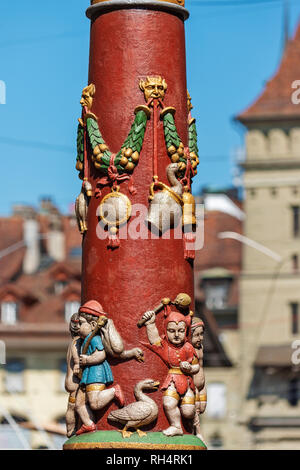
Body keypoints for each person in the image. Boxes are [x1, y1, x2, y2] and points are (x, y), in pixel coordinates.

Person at [141, 308, 200, 437]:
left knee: (188, 411)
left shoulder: (188, 347)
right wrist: (150, 323)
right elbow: (154, 339)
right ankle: (176, 426)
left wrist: (190, 368)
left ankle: (194, 422)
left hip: (186, 381)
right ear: (166, 331)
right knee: (168, 403)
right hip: (172, 379)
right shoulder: (166, 346)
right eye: (172, 331)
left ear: (185, 332)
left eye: (180, 331)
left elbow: (196, 367)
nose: (176, 335)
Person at [75, 301, 125, 435]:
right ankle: (88, 423)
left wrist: (87, 359)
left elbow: (101, 354)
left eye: (81, 323)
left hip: (96, 372)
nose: (78, 326)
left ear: (92, 325)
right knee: (79, 403)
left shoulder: (94, 339)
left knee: (95, 403)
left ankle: (114, 391)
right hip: (88, 373)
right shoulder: (86, 339)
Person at [65, 313, 93, 437]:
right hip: (74, 380)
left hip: (69, 380)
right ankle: (72, 430)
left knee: (71, 407)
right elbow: (76, 357)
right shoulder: (76, 342)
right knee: (77, 407)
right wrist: (77, 363)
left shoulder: (72, 341)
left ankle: (70, 430)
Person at [191, 319, 207, 441]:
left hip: (202, 384)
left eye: (201, 334)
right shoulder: (189, 348)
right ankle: (197, 432)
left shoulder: (200, 346)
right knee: (195, 408)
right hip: (193, 385)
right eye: (196, 335)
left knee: (202, 408)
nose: (200, 338)